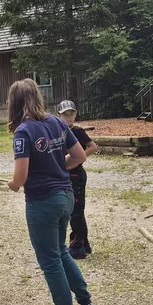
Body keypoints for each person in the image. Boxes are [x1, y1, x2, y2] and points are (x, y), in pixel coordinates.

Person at [6, 79, 104, 305]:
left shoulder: (23, 131)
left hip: (42, 202)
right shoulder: (57, 122)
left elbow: (21, 176)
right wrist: (59, 168)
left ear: (14, 103)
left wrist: (13, 184)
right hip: (66, 196)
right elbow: (80, 156)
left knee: (50, 260)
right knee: (61, 252)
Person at [56, 100, 97, 259]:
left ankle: (77, 246)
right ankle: (84, 243)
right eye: (65, 114)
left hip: (77, 176)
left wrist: (78, 158)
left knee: (76, 213)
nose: (69, 117)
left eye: (71, 114)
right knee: (72, 211)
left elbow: (93, 147)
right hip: (64, 175)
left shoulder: (78, 131)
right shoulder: (57, 131)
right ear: (58, 115)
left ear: (76, 114)